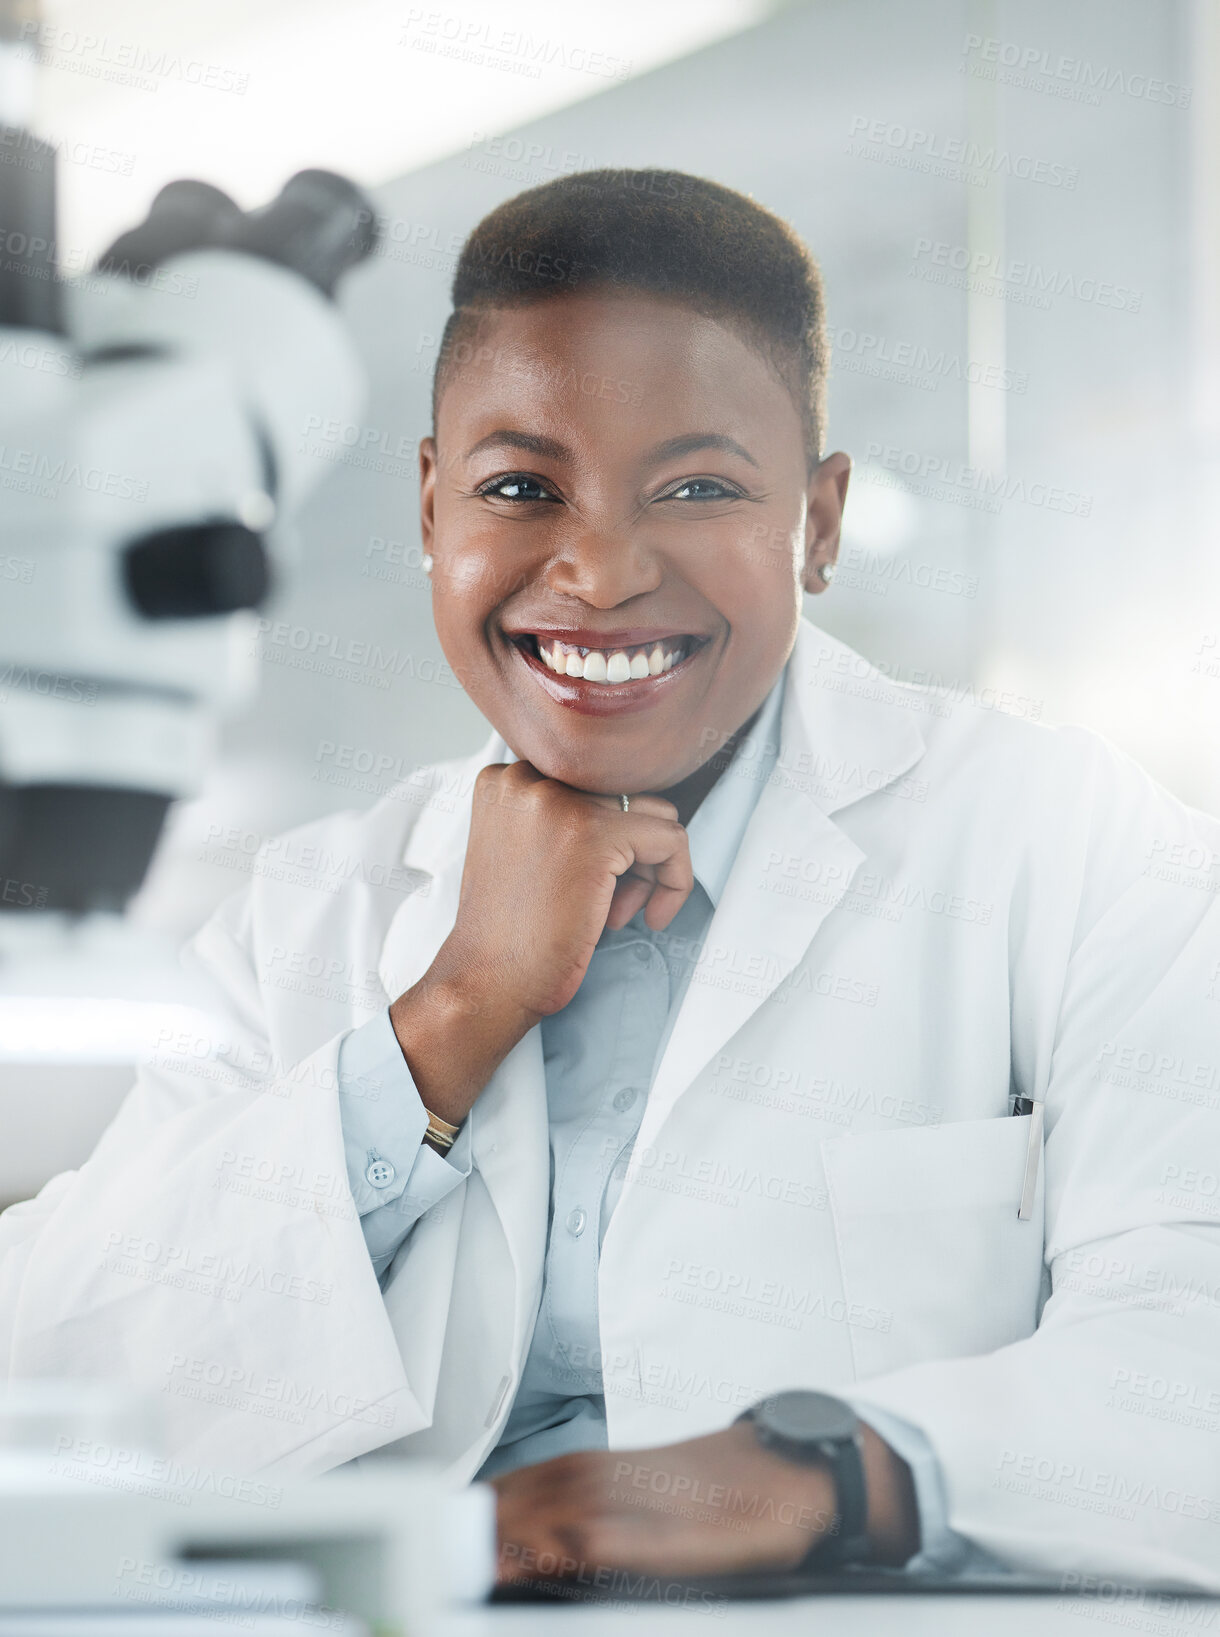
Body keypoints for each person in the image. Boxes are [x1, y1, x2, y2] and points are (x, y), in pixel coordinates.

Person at [3, 169, 1220, 1591]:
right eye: (521, 487)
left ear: (819, 523)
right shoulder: (309, 911)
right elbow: (53, 1383)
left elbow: (1190, 1337)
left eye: (699, 487)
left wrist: (818, 1468)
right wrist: (449, 1018)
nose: (597, 568)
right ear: (426, 502)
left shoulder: (1058, 840)